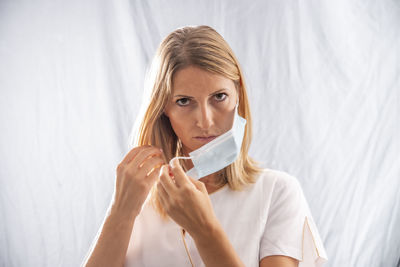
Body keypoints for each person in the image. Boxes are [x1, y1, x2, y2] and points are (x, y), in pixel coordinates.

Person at [82, 25, 328, 267]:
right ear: (164, 109)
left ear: (237, 95)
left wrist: (204, 230)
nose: (205, 120)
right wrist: (121, 213)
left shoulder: (277, 191)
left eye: (219, 97)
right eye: (184, 101)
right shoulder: (136, 197)